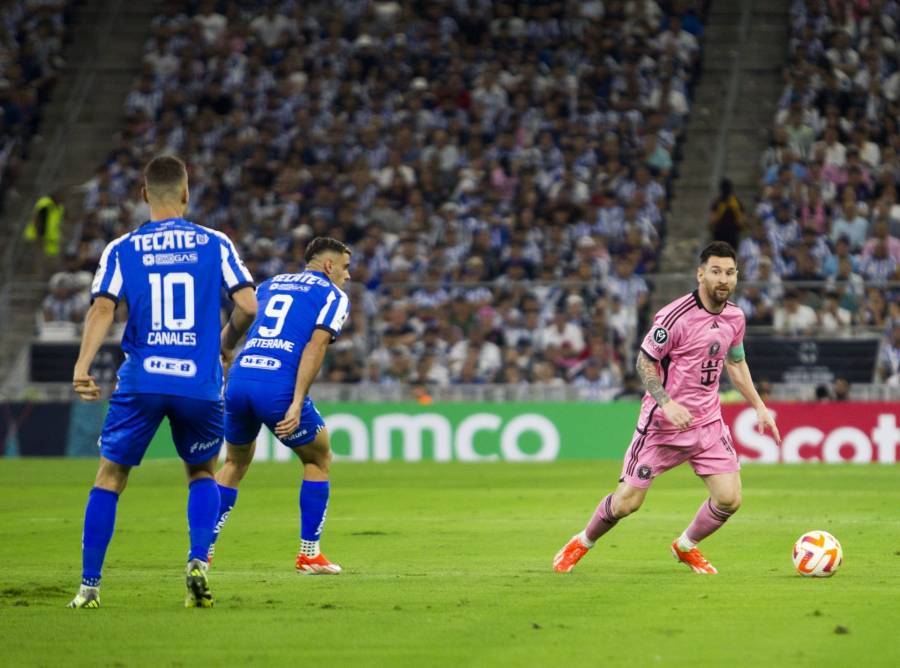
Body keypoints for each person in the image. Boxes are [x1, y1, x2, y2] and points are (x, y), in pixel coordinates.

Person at [67, 155, 257, 608]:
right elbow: (248, 305)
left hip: (143, 380)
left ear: (144, 193)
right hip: (199, 383)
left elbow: (102, 309)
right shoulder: (215, 243)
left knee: (110, 477)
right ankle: (197, 562)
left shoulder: (122, 247)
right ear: (187, 193)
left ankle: (90, 588)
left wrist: (82, 365)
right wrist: (224, 343)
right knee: (201, 473)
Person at [553, 241, 780, 574]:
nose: (723, 279)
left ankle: (685, 546)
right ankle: (582, 541)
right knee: (626, 504)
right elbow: (645, 361)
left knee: (730, 498)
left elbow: (735, 362)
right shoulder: (674, 316)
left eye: (730, 273)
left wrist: (759, 405)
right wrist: (666, 402)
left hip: (707, 424)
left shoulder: (735, 316)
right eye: (715, 271)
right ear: (700, 274)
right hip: (662, 426)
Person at [210, 237, 351, 575]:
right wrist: (297, 401)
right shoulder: (333, 296)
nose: (347, 275)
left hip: (241, 381)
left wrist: (225, 348)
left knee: (233, 463)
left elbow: (242, 315)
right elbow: (315, 348)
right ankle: (309, 554)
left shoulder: (271, 284)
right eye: (345, 267)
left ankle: (202, 550)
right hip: (277, 387)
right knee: (318, 458)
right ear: (329, 266)